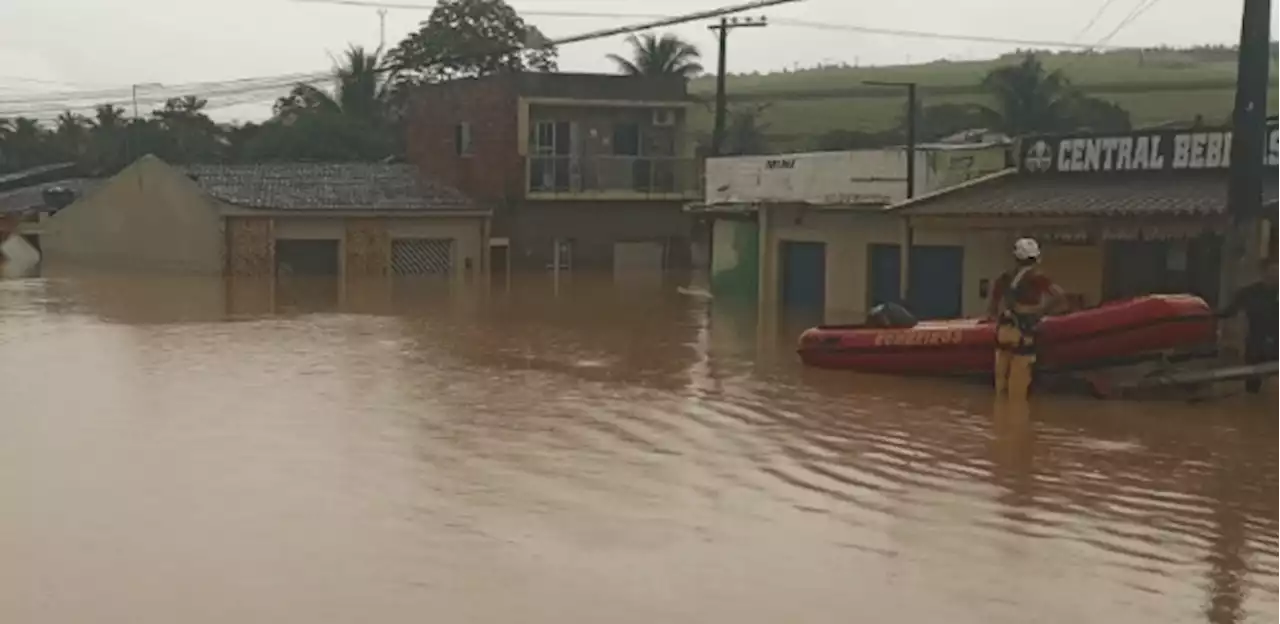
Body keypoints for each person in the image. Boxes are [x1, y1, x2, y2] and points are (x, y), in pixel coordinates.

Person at [986, 238, 1066, 399]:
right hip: (1024, 333)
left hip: (1004, 332)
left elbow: (992, 307)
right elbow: (1060, 297)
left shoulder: (1004, 277)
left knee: (1001, 384)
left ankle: (1000, 417)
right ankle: (1016, 420)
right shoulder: (1037, 277)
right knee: (1018, 389)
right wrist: (1040, 312)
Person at [1217, 256, 1280, 394]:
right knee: (1253, 382)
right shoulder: (1249, 292)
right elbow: (1230, 310)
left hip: (1277, 341)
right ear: (1263, 272)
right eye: (1273, 271)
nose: (1276, 275)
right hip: (1256, 340)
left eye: (1278, 272)